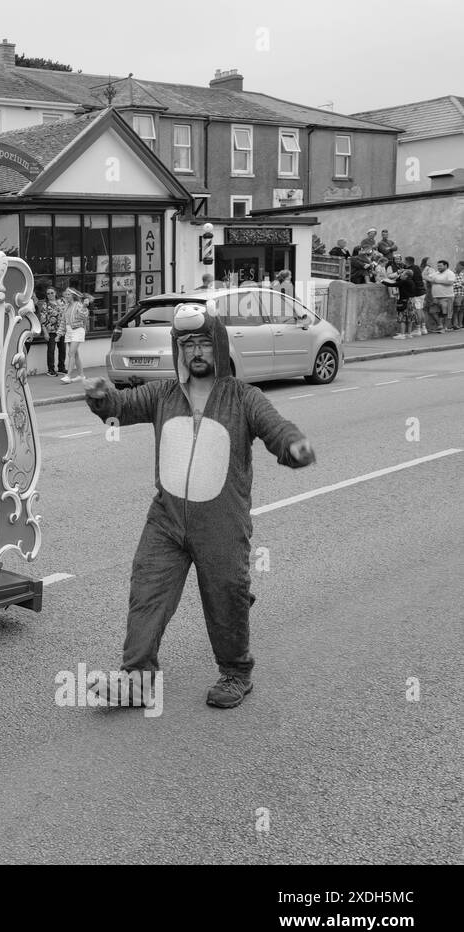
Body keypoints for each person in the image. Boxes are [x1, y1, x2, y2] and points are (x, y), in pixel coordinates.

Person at [81, 302, 315, 709]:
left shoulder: (244, 397)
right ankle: (136, 680)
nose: (196, 352)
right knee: (146, 594)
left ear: (219, 346)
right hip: (166, 520)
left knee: (227, 597)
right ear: (179, 352)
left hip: (221, 523)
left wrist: (293, 447)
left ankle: (236, 673)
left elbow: (275, 428)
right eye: (187, 345)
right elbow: (122, 406)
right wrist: (102, 399)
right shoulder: (162, 394)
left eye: (203, 342)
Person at [59, 288, 88, 383]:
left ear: (73, 295)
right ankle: (81, 376)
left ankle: (68, 376)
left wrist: (84, 307)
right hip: (69, 332)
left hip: (77, 331)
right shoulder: (66, 307)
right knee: (75, 354)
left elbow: (83, 316)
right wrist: (59, 334)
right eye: (65, 294)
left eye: (68, 294)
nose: (66, 296)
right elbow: (63, 321)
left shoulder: (79, 305)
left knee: (71, 353)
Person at [39, 286, 66, 376]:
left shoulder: (61, 302)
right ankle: (51, 370)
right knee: (51, 350)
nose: (50, 294)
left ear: (55, 293)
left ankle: (61, 368)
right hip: (50, 332)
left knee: (62, 350)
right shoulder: (45, 305)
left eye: (52, 293)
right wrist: (45, 333)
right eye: (48, 293)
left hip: (61, 330)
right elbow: (42, 320)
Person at [425, 259, 456, 333]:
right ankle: (440, 325)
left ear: (445, 266)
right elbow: (426, 277)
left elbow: (450, 282)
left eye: (440, 266)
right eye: (438, 266)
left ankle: (444, 328)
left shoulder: (450, 273)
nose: (438, 267)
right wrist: (426, 268)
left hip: (447, 297)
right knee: (432, 311)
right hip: (436, 297)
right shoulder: (436, 273)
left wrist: (437, 281)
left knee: (446, 313)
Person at [404, 256, 428, 336]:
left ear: (407, 262)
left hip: (416, 292)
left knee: (417, 311)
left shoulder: (410, 270)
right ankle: (423, 328)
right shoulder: (417, 267)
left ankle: (418, 329)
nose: (404, 263)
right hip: (422, 291)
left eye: (405, 261)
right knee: (421, 310)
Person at [453, 261, 464, 331]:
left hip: (463, 294)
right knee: (456, 309)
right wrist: (461, 284)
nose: (456, 267)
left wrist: (459, 284)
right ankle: (455, 324)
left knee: (462, 310)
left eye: (457, 265)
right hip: (456, 295)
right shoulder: (453, 274)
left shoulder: (463, 274)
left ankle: (460, 324)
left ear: (462, 267)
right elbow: (451, 284)